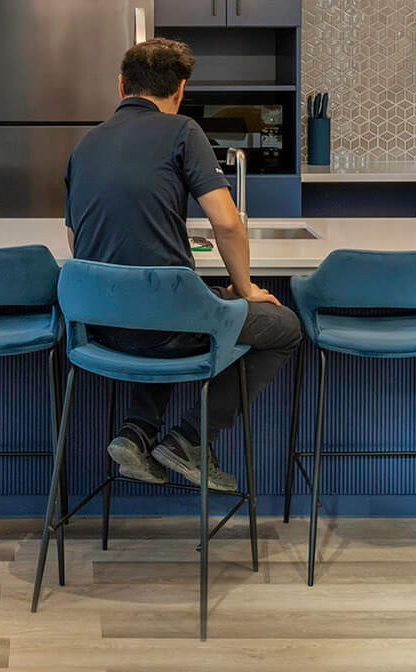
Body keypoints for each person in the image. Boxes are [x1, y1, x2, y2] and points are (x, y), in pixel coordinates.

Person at [63, 37, 302, 493]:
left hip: (100, 325)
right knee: (284, 326)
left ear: (120, 86)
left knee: (174, 310)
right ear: (180, 90)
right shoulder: (183, 131)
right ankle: (191, 439)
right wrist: (246, 287)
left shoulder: (85, 143)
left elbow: (75, 238)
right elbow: (227, 223)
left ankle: (136, 432)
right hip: (166, 324)